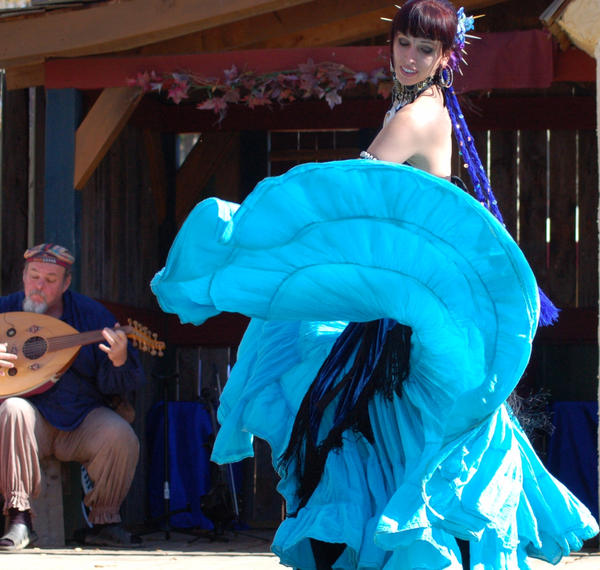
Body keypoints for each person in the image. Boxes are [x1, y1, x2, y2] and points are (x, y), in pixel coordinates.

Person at [151, 1, 598, 568]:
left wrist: (256, 239)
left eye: (425, 49)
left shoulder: (414, 115)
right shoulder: (422, 106)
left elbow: (346, 205)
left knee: (371, 420)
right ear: (392, 43)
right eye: (404, 43)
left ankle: (397, 543)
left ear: (445, 57)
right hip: (401, 313)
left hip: (406, 324)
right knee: (376, 424)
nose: (410, 57)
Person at [0, 243, 145, 551]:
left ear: (66, 284)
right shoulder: (5, 312)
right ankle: (19, 519)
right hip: (30, 423)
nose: (39, 286)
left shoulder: (91, 315)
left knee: (119, 434)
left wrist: (118, 359)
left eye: (51, 280)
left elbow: (122, 384)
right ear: (23, 275)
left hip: (79, 419)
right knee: (12, 409)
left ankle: (104, 522)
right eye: (34, 276)